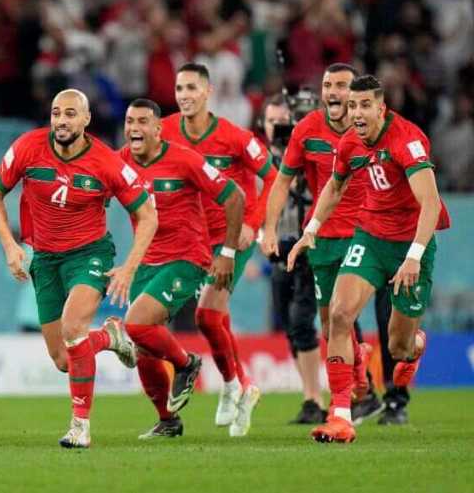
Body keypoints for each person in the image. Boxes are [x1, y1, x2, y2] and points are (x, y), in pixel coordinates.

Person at [0, 89, 158, 449]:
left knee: (73, 326)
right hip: (44, 258)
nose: (61, 121)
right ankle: (109, 337)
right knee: (63, 359)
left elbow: (147, 215)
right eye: (55, 114)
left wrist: (128, 268)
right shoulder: (28, 148)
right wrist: (10, 245)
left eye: (69, 114)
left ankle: (81, 426)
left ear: (85, 120)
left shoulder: (107, 162)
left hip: (89, 254)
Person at [287, 74, 450, 443]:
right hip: (371, 238)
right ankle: (341, 415)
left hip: (411, 245)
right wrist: (311, 228)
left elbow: (431, 202)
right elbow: (335, 186)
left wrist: (413, 257)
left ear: (381, 107)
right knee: (339, 315)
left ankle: (416, 346)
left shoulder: (406, 140)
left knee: (398, 347)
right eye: (352, 105)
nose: (356, 113)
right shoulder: (349, 143)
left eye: (364, 106)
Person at [261, 65, 384, 424]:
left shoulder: (375, 131)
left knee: (348, 318)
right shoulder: (307, 129)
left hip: (367, 235)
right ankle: (361, 386)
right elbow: (282, 182)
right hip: (323, 238)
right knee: (331, 327)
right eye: (328, 84)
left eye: (342, 85)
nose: (333, 91)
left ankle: (345, 405)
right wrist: (269, 229)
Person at [160, 63, 276, 436]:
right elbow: (125, 159)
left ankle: (232, 387)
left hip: (230, 239)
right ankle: (242, 385)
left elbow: (273, 177)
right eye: (179, 88)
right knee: (215, 317)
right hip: (189, 239)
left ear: (208, 92)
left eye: (192, 87)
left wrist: (253, 225)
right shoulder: (163, 130)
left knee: (207, 316)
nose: (184, 95)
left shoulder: (235, 137)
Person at [120, 99, 246, 439]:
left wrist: (229, 253)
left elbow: (234, 197)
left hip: (186, 259)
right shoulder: (120, 162)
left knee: (136, 323)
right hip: (147, 262)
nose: (134, 128)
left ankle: (186, 363)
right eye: (129, 121)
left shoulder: (185, 159)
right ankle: (168, 421)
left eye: (143, 122)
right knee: (144, 348)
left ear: (158, 129)